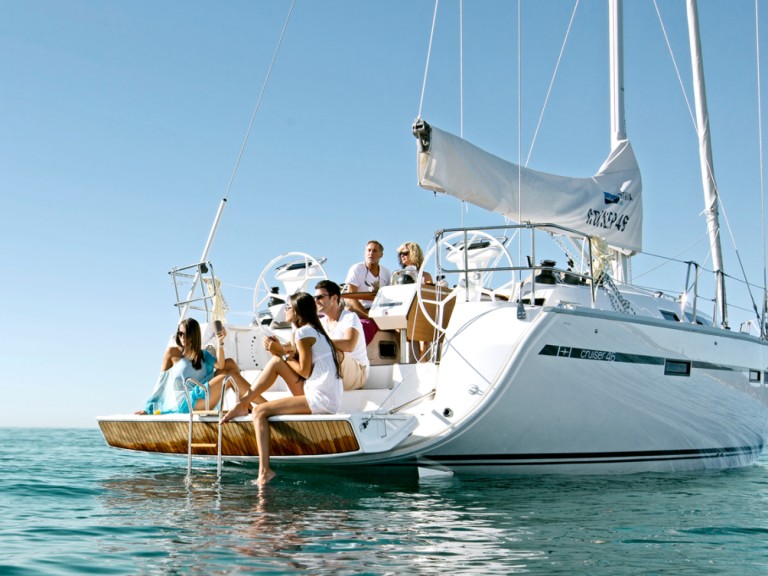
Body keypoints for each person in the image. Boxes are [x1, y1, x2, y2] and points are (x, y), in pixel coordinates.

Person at [220, 292, 342, 486]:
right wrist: (279, 352)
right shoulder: (311, 331)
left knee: (259, 411)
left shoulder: (304, 333)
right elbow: (292, 360)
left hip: (320, 397)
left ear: (297, 311)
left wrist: (281, 353)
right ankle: (243, 403)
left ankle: (264, 471)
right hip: (321, 392)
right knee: (276, 362)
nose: (285, 309)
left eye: (288, 306)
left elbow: (304, 370)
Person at [138, 318, 251, 414]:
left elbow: (221, 365)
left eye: (186, 334)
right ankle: (262, 406)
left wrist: (220, 341)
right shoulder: (172, 353)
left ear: (194, 336)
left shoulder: (202, 354)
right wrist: (148, 410)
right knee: (229, 377)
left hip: (203, 396)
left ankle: (248, 406)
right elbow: (161, 384)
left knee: (230, 363)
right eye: (180, 333)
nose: (182, 337)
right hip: (186, 403)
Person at [315, 279, 369, 390]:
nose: (317, 301)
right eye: (315, 298)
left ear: (334, 298)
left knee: (332, 351)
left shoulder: (350, 317)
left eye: (320, 297)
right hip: (336, 371)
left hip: (359, 372)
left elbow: (349, 345)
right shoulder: (320, 323)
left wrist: (318, 342)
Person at [343, 240, 391, 319]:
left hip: (380, 310)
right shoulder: (357, 269)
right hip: (361, 309)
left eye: (375, 251)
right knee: (349, 310)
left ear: (381, 255)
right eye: (369, 250)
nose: (371, 253)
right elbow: (351, 298)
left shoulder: (386, 272)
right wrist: (367, 315)